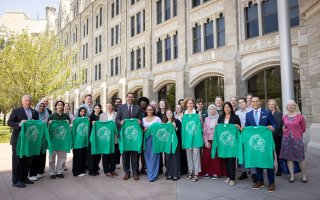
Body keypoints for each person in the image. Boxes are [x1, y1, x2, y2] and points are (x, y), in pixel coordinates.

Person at [245, 96, 276, 192]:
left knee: (269, 161)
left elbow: (274, 124)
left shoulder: (267, 112)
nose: (255, 103)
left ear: (260, 102)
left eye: (257, 101)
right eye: (253, 102)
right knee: (257, 160)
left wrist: (272, 127)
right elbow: (247, 126)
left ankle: (271, 183)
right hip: (255, 144)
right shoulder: (248, 114)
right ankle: (260, 181)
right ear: (251, 103)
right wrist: (244, 129)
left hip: (266, 143)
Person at [8, 95, 39, 188]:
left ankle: (24, 177)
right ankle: (16, 180)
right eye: (26, 100)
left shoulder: (35, 112)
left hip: (29, 141)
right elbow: (9, 122)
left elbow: (37, 124)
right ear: (22, 101)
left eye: (29, 100)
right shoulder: (16, 111)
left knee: (28, 160)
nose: (28, 102)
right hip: (18, 140)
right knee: (17, 160)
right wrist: (19, 124)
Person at [280, 100, 308, 183]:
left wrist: (297, 134)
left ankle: (304, 175)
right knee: (289, 158)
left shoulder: (300, 117)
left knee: (300, 158)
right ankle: (292, 176)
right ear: (287, 107)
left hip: (297, 139)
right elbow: (285, 126)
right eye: (289, 105)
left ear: (295, 106)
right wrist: (286, 132)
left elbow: (303, 129)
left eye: (292, 105)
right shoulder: (284, 117)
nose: (291, 107)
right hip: (286, 139)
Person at [116, 92, 142, 181]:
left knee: (135, 154)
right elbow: (117, 119)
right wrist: (120, 122)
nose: (130, 98)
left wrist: (139, 121)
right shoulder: (121, 107)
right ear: (126, 98)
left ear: (134, 99)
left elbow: (140, 119)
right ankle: (127, 172)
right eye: (129, 97)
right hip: (124, 135)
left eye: (132, 97)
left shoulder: (138, 108)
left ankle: (135, 172)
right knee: (125, 155)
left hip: (134, 136)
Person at [217, 102, 241, 186]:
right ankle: (228, 176)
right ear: (223, 109)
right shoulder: (220, 117)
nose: (227, 109)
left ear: (231, 108)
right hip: (223, 143)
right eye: (225, 107)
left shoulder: (236, 117)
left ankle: (232, 178)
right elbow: (218, 129)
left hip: (232, 142)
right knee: (225, 160)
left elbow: (239, 129)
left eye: (228, 107)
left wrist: (238, 127)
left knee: (231, 160)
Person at [47, 100, 71, 179]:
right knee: (52, 158)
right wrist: (49, 123)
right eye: (58, 105)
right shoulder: (52, 116)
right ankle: (51, 173)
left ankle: (59, 172)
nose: (60, 106)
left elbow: (69, 127)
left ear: (63, 107)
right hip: (53, 140)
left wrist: (68, 123)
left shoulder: (66, 116)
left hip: (63, 141)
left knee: (62, 157)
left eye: (61, 105)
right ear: (56, 106)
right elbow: (47, 128)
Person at [202, 104, 226, 179]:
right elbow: (204, 132)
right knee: (207, 157)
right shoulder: (206, 119)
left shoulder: (220, 118)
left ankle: (216, 172)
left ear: (216, 110)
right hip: (208, 140)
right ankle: (208, 172)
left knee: (216, 157)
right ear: (208, 110)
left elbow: (221, 131)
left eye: (213, 109)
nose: (212, 110)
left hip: (217, 140)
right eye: (210, 109)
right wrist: (206, 142)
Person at [182, 97, 203, 182]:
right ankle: (190, 171)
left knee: (196, 156)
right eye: (188, 103)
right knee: (189, 156)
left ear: (193, 104)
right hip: (187, 138)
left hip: (195, 138)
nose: (190, 105)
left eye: (191, 103)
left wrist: (200, 118)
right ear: (186, 104)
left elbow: (201, 125)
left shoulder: (197, 113)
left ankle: (196, 173)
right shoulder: (184, 113)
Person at [29, 100, 49, 181]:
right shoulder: (34, 114)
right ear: (37, 106)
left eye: (43, 106)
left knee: (42, 154)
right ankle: (33, 172)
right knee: (34, 154)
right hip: (35, 137)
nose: (42, 108)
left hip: (43, 136)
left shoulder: (48, 114)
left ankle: (40, 171)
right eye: (40, 106)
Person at [235, 98, 255, 182]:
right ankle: (243, 172)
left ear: (246, 103)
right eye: (239, 103)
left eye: (242, 102)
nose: (241, 104)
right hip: (240, 135)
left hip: (249, 135)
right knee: (242, 154)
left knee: (251, 153)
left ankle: (254, 172)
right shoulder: (237, 113)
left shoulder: (251, 111)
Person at [142, 105, 162, 182]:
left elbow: (160, 129)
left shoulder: (157, 119)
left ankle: (152, 175)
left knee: (154, 157)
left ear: (153, 110)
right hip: (146, 139)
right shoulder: (143, 119)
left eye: (151, 110)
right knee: (147, 157)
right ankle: (150, 172)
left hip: (155, 139)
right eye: (148, 110)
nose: (149, 111)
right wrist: (143, 130)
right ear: (146, 110)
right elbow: (141, 129)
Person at [99, 102, 118, 178]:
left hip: (114, 136)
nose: (109, 107)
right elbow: (100, 126)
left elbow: (118, 123)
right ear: (105, 107)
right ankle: (106, 171)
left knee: (114, 155)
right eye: (107, 106)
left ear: (112, 106)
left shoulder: (116, 114)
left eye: (110, 106)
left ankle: (112, 170)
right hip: (105, 138)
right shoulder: (102, 115)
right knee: (106, 155)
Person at [163, 109, 181, 181]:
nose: (169, 114)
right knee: (168, 158)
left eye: (170, 113)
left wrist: (175, 129)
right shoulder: (164, 122)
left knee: (175, 158)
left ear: (172, 114)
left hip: (175, 142)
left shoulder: (177, 121)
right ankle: (169, 173)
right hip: (167, 143)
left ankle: (176, 174)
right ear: (166, 115)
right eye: (167, 113)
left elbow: (180, 132)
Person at [267, 99, 283, 176]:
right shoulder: (266, 113)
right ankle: (271, 166)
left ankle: (279, 169)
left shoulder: (279, 114)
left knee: (278, 153)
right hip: (269, 137)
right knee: (270, 153)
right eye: (269, 104)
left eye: (272, 104)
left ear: (275, 105)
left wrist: (272, 135)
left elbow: (279, 126)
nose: (270, 105)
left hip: (277, 137)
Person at [72, 107, 89, 177]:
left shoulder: (87, 120)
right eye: (81, 111)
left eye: (84, 111)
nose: (83, 113)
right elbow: (73, 131)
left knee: (83, 157)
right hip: (77, 142)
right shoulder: (76, 120)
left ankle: (82, 170)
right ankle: (76, 172)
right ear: (79, 112)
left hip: (85, 142)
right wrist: (73, 142)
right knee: (77, 158)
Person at [88, 104, 103, 176]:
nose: (97, 109)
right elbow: (88, 127)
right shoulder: (91, 117)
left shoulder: (102, 116)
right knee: (92, 153)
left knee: (98, 153)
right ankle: (91, 169)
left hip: (100, 137)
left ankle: (96, 168)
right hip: (92, 137)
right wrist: (92, 124)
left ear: (100, 109)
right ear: (94, 109)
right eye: (96, 108)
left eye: (98, 108)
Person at [137, 97, 150, 174]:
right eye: (141, 103)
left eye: (144, 103)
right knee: (139, 151)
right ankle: (137, 168)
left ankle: (144, 167)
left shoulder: (149, 111)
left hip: (147, 133)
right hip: (139, 133)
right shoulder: (138, 111)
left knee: (145, 151)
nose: (143, 104)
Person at [156, 99, 168, 174]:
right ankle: (159, 169)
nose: (162, 105)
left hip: (166, 135)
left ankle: (167, 168)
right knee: (159, 152)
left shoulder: (168, 112)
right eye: (160, 103)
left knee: (166, 152)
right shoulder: (157, 113)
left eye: (163, 103)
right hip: (159, 135)